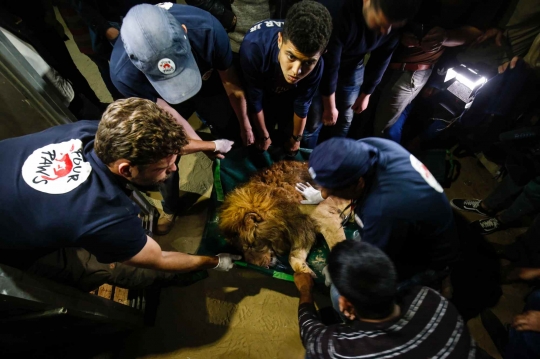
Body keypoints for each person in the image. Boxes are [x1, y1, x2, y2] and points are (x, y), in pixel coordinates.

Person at [0, 98, 240, 291]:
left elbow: (165, 146)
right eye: (164, 168)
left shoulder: (93, 132)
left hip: (16, 192)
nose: (174, 168)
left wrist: (212, 145)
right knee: (104, 267)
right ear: (126, 169)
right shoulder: (106, 214)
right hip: (11, 248)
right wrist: (215, 261)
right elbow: (160, 259)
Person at [111, 3, 247, 233]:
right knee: (161, 158)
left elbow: (231, 85)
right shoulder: (124, 73)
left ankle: (236, 174)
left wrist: (245, 125)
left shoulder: (208, 30)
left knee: (228, 124)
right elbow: (168, 117)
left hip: (207, 78)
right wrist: (202, 145)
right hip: (161, 98)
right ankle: (171, 206)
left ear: (184, 31)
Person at [298, 137, 459, 283]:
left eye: (332, 189)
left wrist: (344, 271)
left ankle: (439, 280)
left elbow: (376, 266)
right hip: (419, 218)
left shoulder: (381, 211)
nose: (325, 194)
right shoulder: (369, 146)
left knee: (344, 289)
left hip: (426, 256)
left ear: (359, 183)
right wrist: (323, 192)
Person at [294, 240, 475, 359]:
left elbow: (310, 334)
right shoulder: (431, 297)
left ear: (346, 305)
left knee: (312, 354)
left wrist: (305, 290)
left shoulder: (341, 348)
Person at [372, 0, 500, 141]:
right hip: (381, 53)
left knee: (382, 129)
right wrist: (400, 30)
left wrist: (445, 37)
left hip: (415, 69)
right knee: (364, 113)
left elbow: (476, 31)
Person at [315, 0, 421, 142]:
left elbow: (382, 58)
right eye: (381, 23)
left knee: (345, 120)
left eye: (391, 26)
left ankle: (335, 156)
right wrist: (329, 107)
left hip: (353, 64)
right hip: (320, 64)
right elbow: (330, 64)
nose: (385, 31)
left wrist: (366, 94)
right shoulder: (337, 11)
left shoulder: (392, 16)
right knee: (314, 121)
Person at [239, 1, 332, 152]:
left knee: (290, 125)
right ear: (280, 40)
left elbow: (302, 103)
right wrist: (263, 135)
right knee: (264, 128)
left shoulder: (317, 65)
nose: (297, 71)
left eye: (307, 62)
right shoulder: (253, 49)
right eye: (291, 57)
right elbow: (255, 99)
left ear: (321, 54)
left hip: (289, 90)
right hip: (264, 81)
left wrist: (296, 139)